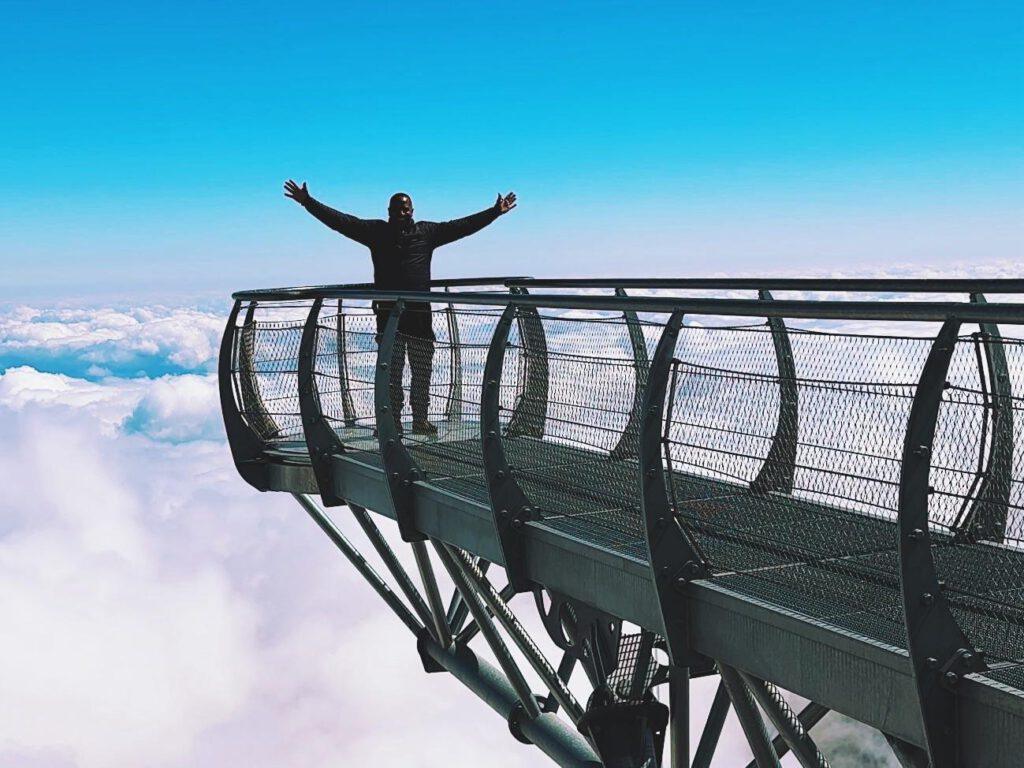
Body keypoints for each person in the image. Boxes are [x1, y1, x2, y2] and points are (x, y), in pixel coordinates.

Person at [284, 180, 517, 435]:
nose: (400, 214)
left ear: (412, 211)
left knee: (421, 370)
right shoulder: (376, 232)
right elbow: (342, 222)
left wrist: (494, 212)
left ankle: (420, 419)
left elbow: (462, 227)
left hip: (419, 315)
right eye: (396, 209)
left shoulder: (427, 233)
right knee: (390, 371)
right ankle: (391, 421)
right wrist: (308, 202)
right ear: (388, 211)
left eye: (405, 209)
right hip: (388, 314)